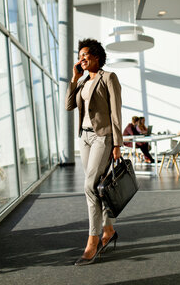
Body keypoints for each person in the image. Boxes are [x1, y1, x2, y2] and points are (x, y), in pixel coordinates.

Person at [65, 38, 122, 266]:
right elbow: (69, 106)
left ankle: (92, 240)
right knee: (98, 187)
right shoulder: (81, 82)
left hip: (103, 136)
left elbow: (116, 112)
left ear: (97, 56)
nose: (82, 59)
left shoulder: (108, 78)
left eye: (85, 55)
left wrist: (117, 144)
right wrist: (74, 79)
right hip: (85, 137)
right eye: (80, 56)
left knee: (89, 186)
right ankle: (108, 229)